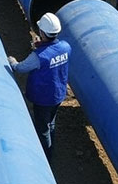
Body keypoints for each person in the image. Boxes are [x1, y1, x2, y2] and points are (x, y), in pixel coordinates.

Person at [8, 13, 71, 161]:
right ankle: (51, 147)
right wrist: (40, 46)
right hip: (58, 94)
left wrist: (12, 61)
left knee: (42, 129)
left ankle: (46, 158)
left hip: (42, 98)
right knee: (51, 122)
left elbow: (21, 68)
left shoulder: (39, 56)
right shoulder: (66, 47)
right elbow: (53, 54)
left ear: (42, 32)